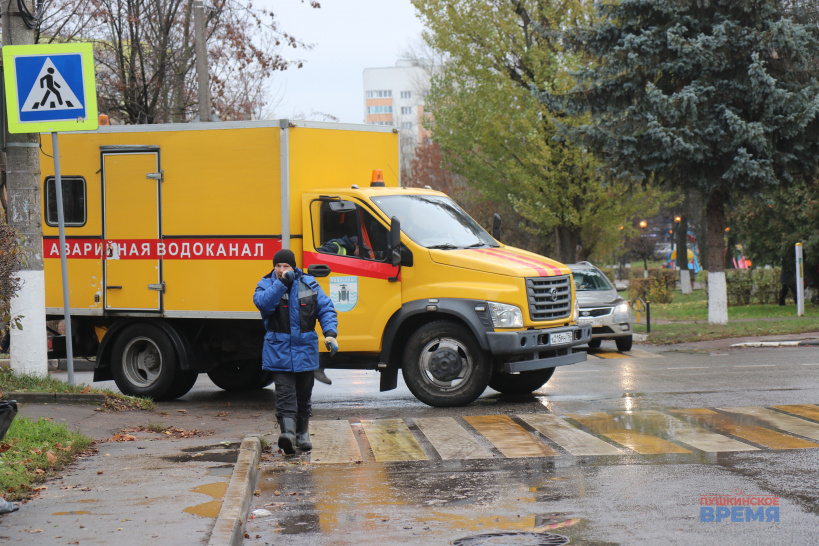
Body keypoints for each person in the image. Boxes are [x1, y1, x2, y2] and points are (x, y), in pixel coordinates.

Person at [253, 249, 338, 455]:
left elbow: (326, 308)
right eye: (278, 266)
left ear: (294, 267)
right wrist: (281, 283)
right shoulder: (267, 284)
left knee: (303, 393)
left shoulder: (309, 284)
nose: (281, 270)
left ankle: (302, 434)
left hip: (305, 350)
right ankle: (288, 434)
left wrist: (330, 333)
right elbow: (262, 303)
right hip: (278, 350)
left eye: (286, 267)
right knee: (284, 393)